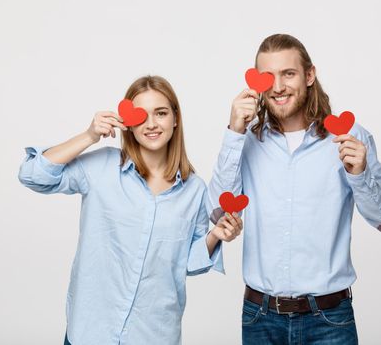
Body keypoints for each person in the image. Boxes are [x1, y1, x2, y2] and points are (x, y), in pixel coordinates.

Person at [207, 34, 381, 344]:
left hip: (328, 320)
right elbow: (217, 212)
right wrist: (234, 132)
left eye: (288, 74)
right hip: (260, 320)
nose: (278, 86)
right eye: (267, 76)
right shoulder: (245, 141)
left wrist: (361, 175)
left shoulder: (349, 137)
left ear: (309, 75)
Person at [18, 75, 243, 345]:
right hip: (90, 334)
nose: (151, 124)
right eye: (141, 115)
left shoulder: (194, 190)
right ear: (128, 125)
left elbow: (188, 265)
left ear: (175, 119)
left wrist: (215, 235)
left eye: (160, 113)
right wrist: (89, 136)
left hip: (153, 335)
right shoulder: (101, 167)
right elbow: (33, 175)